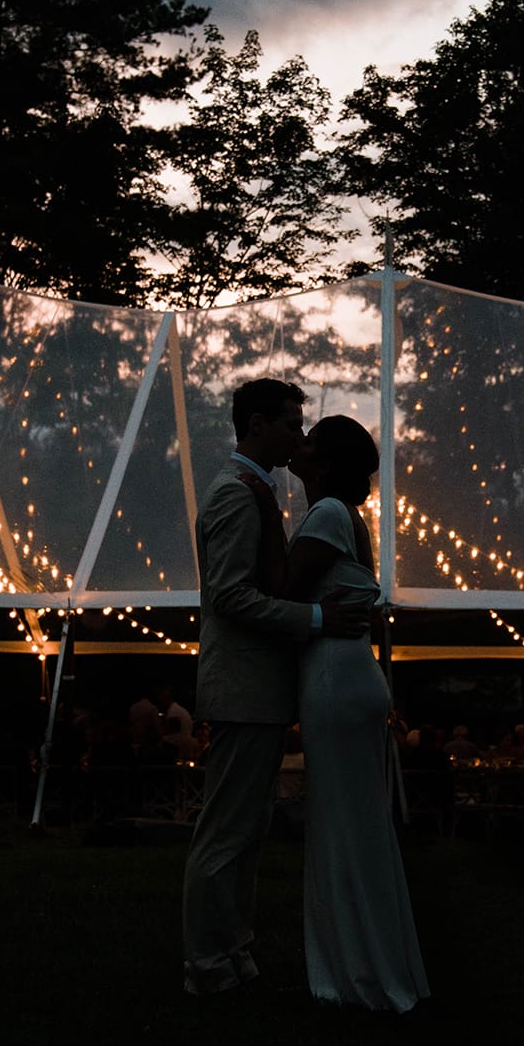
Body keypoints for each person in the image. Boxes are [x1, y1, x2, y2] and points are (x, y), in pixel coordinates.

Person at [180, 378, 374, 998]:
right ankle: (208, 962)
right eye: (292, 424)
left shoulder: (257, 492)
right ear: (257, 424)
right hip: (242, 686)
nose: (300, 435)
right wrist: (318, 619)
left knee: (248, 829)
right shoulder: (238, 495)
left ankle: (234, 950)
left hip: (258, 688)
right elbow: (232, 597)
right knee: (226, 831)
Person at [285, 413, 429, 1012]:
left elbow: (282, 593)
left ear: (324, 462)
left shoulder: (325, 515)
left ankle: (358, 974)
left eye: (311, 438)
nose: (301, 442)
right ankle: (371, 962)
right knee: (359, 824)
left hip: (334, 679)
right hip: (353, 675)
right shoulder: (349, 518)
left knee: (343, 826)